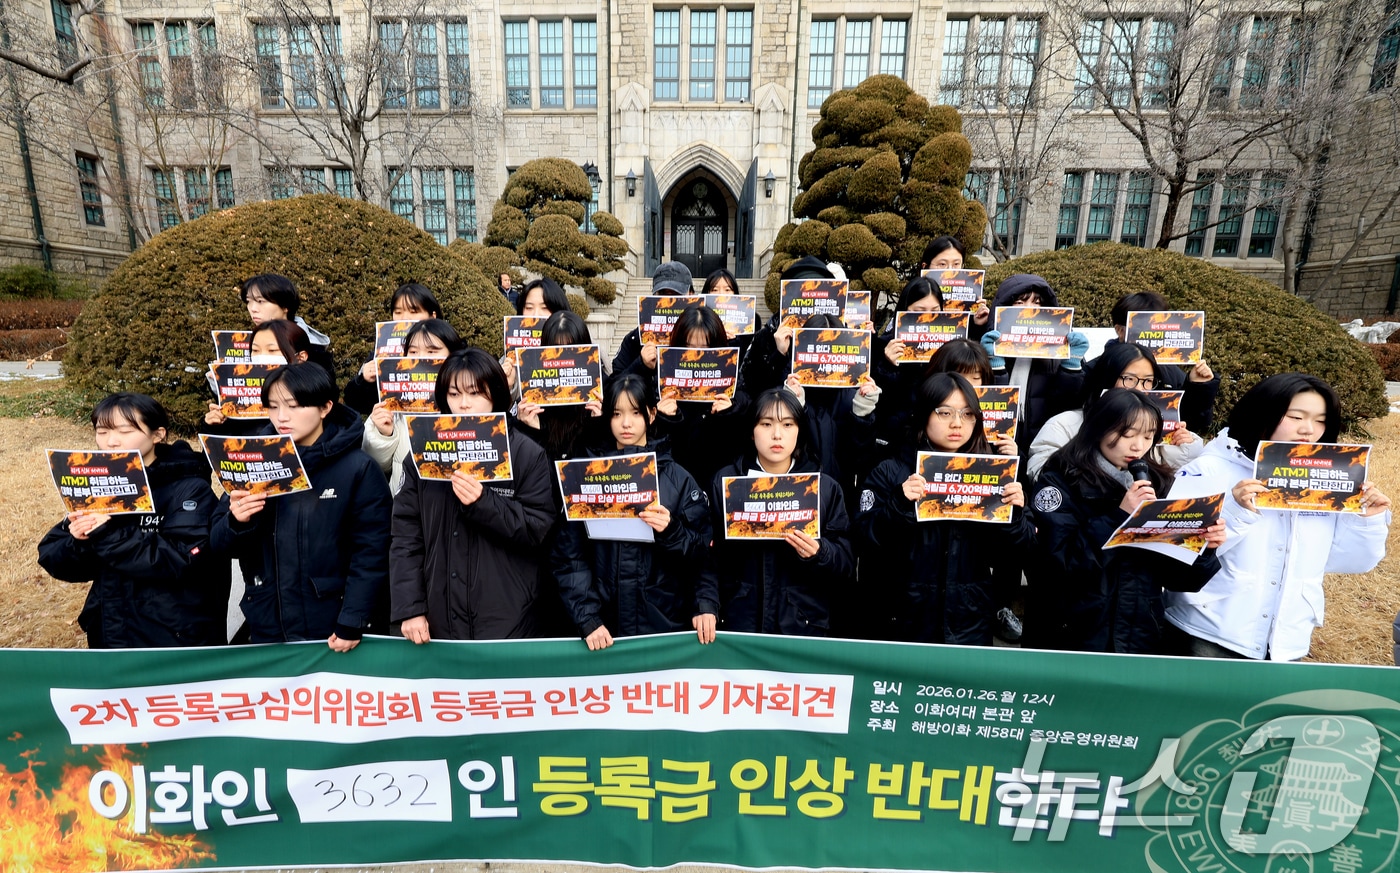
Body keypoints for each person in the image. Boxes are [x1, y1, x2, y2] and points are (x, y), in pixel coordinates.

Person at [1164, 374, 1391, 660]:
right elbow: (1174, 553)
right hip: (1209, 633)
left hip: (1286, 641)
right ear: (1263, 411)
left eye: (1320, 420)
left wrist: (1366, 521)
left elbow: (1352, 562)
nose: (1308, 430)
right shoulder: (1209, 469)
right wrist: (1235, 512)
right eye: (1295, 416)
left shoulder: (1330, 478)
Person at [1027, 389, 1225, 654]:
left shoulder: (1159, 482)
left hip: (1138, 634)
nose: (1138, 446)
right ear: (1098, 428)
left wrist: (1203, 547)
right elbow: (1055, 566)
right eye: (1127, 434)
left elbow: (1179, 579)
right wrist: (1120, 517)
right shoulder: (1060, 481)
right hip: (1073, 634)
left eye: (1147, 436)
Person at [210, 363, 392, 650]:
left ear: (325, 407)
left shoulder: (358, 468)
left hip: (335, 628)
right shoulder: (252, 461)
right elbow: (219, 544)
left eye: (294, 406)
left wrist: (353, 619)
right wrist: (237, 521)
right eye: (272, 406)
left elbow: (372, 552)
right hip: (268, 625)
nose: (282, 417)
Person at [38, 393, 230, 648]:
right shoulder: (101, 483)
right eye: (102, 431)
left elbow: (183, 559)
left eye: (125, 431)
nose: (111, 442)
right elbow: (53, 557)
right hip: (112, 628)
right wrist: (79, 539)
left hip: (175, 634)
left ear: (158, 434)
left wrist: (107, 534)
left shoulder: (189, 488)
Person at [390, 349, 557, 641]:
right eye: (454, 394)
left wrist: (484, 503)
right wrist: (411, 607)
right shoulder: (423, 456)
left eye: (475, 393)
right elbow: (405, 536)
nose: (463, 405)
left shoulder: (525, 453)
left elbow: (538, 528)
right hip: (437, 616)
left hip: (509, 619)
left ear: (495, 394)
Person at [856, 374, 1033, 645]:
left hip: (969, 620)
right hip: (903, 620)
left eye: (967, 414)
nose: (957, 423)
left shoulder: (994, 474)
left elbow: (1019, 553)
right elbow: (864, 541)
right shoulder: (891, 472)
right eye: (944, 412)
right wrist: (900, 505)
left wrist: (1015, 514)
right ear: (924, 414)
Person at [551, 374, 719, 649]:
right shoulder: (586, 475)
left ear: (651, 415)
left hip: (663, 624)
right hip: (603, 630)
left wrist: (672, 530)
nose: (626, 423)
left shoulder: (678, 479)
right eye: (617, 414)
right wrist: (589, 618)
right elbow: (568, 556)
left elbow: (704, 554)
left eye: (635, 413)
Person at [710, 387, 855, 636]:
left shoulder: (823, 488)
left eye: (788, 424)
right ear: (752, 430)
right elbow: (708, 554)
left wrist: (820, 552)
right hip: (740, 623)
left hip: (802, 627)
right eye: (766, 424)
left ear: (799, 430)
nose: (777, 435)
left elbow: (846, 563)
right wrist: (707, 604)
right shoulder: (727, 483)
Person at [1028, 342, 1205, 480]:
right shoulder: (1065, 424)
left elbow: (1172, 478)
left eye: (1148, 381)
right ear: (1106, 377)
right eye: (1129, 379)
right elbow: (1041, 476)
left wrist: (1183, 446)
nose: (1138, 389)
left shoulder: (1155, 424)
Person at [780, 313, 880, 511]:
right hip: (796, 496)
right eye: (817, 346)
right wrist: (793, 404)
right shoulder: (790, 390)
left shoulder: (854, 395)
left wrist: (863, 413)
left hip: (840, 500)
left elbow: (861, 457)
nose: (825, 354)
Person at [1081, 291, 1219, 433]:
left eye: (1160, 325)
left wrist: (1198, 387)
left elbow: (1194, 422)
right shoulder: (1094, 369)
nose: (1154, 334)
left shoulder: (1170, 370)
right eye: (1144, 327)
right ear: (1120, 331)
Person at [361, 319, 467, 494]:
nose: (420, 358)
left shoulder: (466, 398)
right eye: (413, 351)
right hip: (405, 506)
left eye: (432, 351)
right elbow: (378, 465)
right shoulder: (395, 402)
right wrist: (383, 434)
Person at [652, 305, 751, 488]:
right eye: (688, 348)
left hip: (718, 488)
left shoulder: (733, 383)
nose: (696, 358)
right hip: (676, 490)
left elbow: (748, 410)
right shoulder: (660, 383)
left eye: (705, 349)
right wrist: (662, 418)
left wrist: (732, 410)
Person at [513, 310, 607, 463]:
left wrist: (597, 425)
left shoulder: (604, 393)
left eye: (572, 350)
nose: (563, 362)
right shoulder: (530, 398)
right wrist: (531, 430)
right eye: (556, 350)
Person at [739, 256, 835, 397]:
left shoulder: (842, 334)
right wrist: (778, 355)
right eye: (803, 294)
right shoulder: (767, 335)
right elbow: (750, 389)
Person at [343, 283, 443, 416]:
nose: (405, 318)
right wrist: (364, 381)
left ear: (432, 316)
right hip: (393, 430)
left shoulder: (448, 346)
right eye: (398, 312)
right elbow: (356, 404)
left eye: (414, 312)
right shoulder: (383, 351)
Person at [204, 319, 317, 434]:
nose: (261, 357)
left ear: (301, 357)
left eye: (272, 350)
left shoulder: (316, 398)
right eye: (255, 350)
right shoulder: (237, 405)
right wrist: (216, 426)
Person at [240, 274, 336, 380]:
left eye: (260, 301)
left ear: (285, 306)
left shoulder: (314, 351)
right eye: (249, 301)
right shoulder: (244, 339)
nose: (253, 308)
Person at [610, 260, 696, 379]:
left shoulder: (706, 335)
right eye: (663, 294)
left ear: (691, 295)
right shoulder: (635, 339)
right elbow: (613, 386)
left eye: (676, 295)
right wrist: (641, 364)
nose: (669, 302)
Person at [503, 277, 573, 398]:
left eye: (545, 308)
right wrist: (507, 386)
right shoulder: (511, 355)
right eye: (529, 308)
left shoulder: (578, 344)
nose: (535, 315)